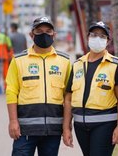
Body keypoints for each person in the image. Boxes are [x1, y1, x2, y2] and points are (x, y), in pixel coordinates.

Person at [6, 16, 71, 156]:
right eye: (39, 31)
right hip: (25, 130)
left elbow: (68, 97)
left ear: (54, 34)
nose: (44, 34)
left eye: (48, 31)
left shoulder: (65, 61)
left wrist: (66, 128)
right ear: (31, 35)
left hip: (53, 130)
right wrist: (13, 121)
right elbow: (11, 92)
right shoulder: (18, 61)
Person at [63, 21, 118, 156]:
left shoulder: (115, 65)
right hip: (80, 126)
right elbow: (68, 99)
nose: (98, 38)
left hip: (105, 125)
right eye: (94, 35)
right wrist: (66, 127)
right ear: (88, 37)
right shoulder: (77, 65)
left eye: (103, 36)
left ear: (108, 41)